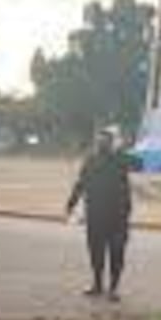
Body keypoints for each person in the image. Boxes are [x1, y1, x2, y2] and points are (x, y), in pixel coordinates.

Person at [66, 129, 134, 302]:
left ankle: (113, 288)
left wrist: (122, 148)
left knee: (116, 252)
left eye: (106, 141)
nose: (102, 144)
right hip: (95, 215)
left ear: (112, 143)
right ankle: (97, 284)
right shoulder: (90, 160)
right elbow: (81, 182)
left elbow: (136, 164)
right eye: (99, 141)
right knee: (96, 251)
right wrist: (72, 202)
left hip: (118, 216)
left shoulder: (120, 159)